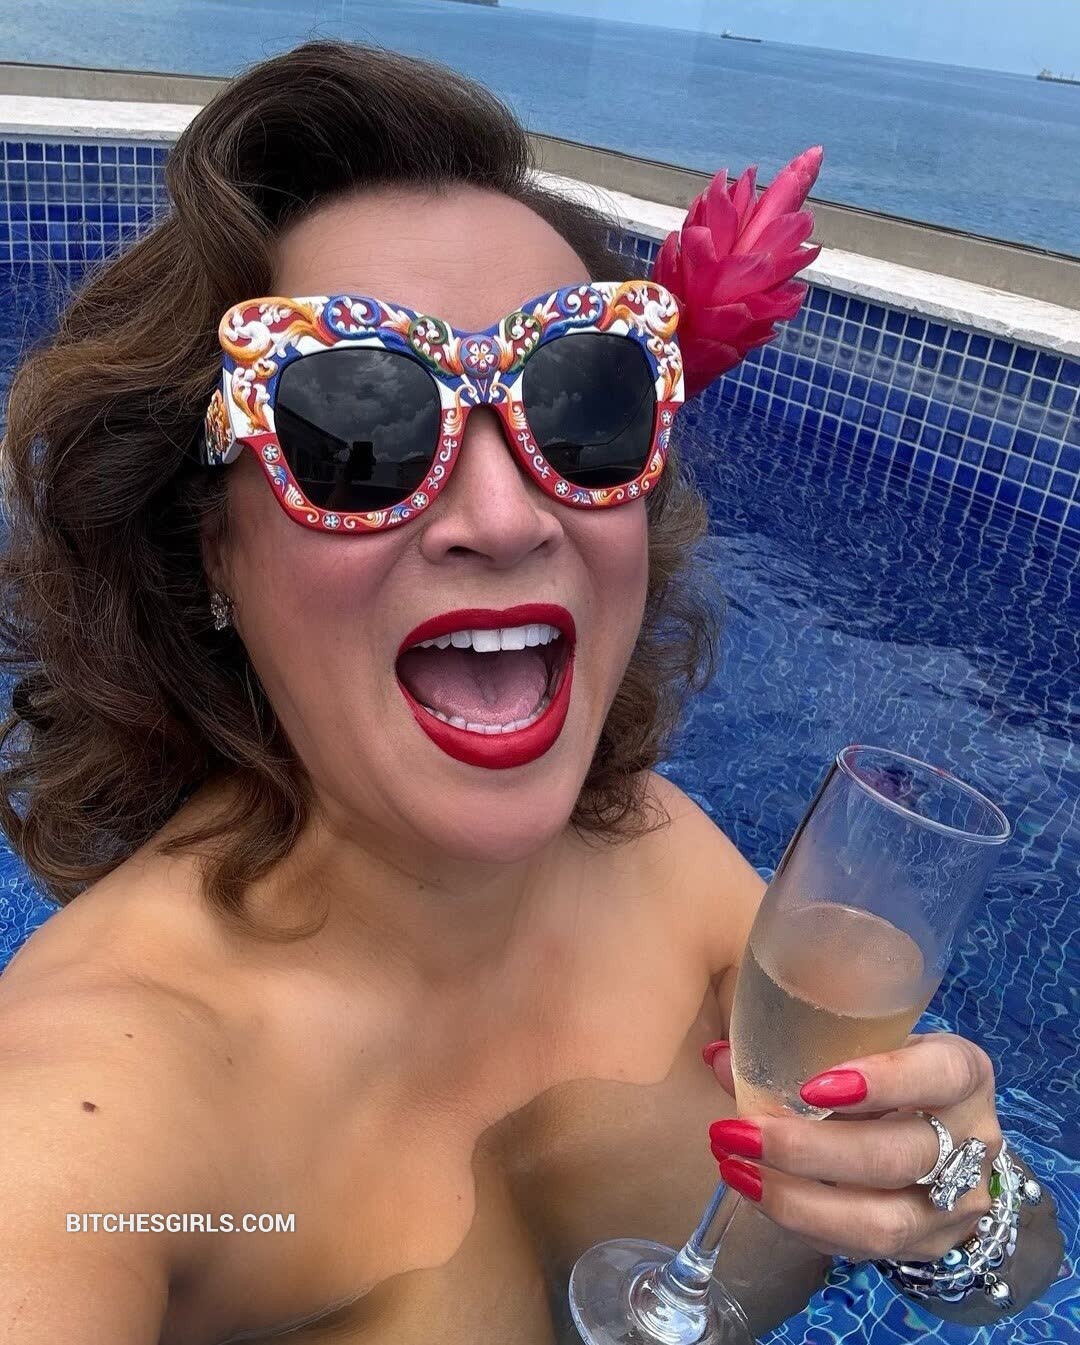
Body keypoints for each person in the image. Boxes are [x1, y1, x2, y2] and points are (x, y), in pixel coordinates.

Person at [0, 40, 1061, 1345]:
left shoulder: (667, 859)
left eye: (580, 407)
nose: (505, 517)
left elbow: (1020, 1270)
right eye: (360, 430)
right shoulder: (89, 1111)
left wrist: (959, 1213)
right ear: (208, 547)